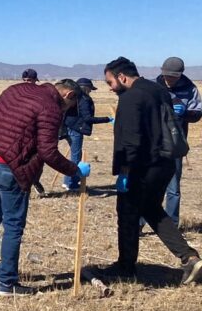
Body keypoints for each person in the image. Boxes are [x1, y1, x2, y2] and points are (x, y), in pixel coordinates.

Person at [0, 78, 88, 296]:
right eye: (70, 107)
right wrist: (74, 170)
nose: (66, 111)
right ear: (68, 96)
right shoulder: (51, 108)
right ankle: (6, 283)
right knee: (13, 224)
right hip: (10, 166)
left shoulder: (17, 89)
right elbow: (48, 152)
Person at [103, 57, 202, 284]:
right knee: (151, 209)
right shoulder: (158, 90)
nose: (110, 89)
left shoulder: (131, 98)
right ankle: (189, 257)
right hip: (165, 163)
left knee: (127, 214)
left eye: (110, 83)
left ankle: (125, 267)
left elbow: (130, 139)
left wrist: (125, 171)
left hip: (142, 165)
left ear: (122, 77)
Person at [156, 57, 202, 225]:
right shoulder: (155, 86)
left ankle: (172, 224)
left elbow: (197, 113)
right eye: (167, 75)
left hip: (175, 143)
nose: (169, 79)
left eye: (173, 76)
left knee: (173, 187)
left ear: (180, 74)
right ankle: (140, 223)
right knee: (151, 184)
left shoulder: (190, 89)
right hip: (155, 141)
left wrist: (185, 113)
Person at [61, 78, 114, 191]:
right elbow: (87, 118)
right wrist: (107, 119)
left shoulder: (74, 98)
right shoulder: (84, 99)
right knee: (76, 157)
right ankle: (71, 183)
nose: (90, 91)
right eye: (90, 89)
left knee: (74, 156)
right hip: (76, 130)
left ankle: (68, 182)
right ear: (86, 88)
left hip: (69, 127)